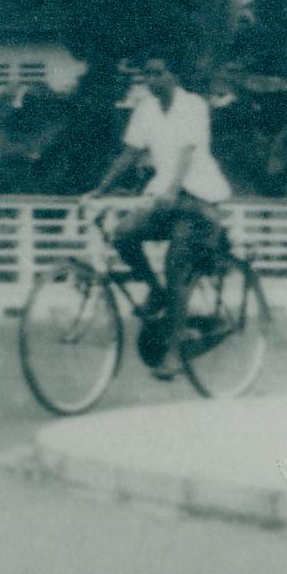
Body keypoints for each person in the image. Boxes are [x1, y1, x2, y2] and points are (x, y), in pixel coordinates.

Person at [92, 55, 232, 373]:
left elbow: (187, 152)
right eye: (147, 75)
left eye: (157, 73)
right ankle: (156, 292)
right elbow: (130, 152)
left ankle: (174, 351)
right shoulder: (145, 109)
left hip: (198, 198)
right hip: (165, 198)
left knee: (177, 265)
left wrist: (172, 189)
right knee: (122, 234)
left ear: (173, 75)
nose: (151, 80)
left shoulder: (193, 106)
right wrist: (101, 189)